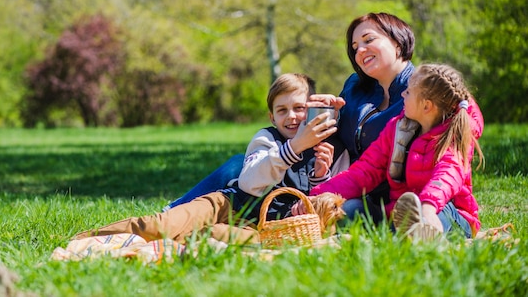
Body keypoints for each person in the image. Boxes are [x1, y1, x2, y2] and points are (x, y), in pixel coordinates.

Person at [165, 12, 416, 218]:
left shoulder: (419, 90)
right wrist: (331, 111)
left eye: (368, 40)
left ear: (397, 40)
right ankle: (173, 214)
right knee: (239, 165)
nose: (360, 50)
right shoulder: (355, 86)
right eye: (354, 46)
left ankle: (183, 217)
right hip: (328, 177)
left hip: (371, 192)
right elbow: (345, 132)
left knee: (338, 213)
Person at [73, 73, 338, 244]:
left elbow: (322, 209)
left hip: (259, 229)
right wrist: (294, 147)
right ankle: (83, 240)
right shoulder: (266, 139)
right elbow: (249, 183)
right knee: (158, 226)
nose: (291, 116)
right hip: (229, 205)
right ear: (272, 117)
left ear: (312, 108)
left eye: (300, 108)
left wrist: (320, 175)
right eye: (282, 110)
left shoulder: (326, 148)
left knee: (204, 237)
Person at [293, 63, 485, 240]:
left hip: (446, 212)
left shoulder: (455, 134)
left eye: (408, 92)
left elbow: (446, 177)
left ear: (426, 106)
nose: (402, 95)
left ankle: (423, 232)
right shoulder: (397, 128)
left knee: (434, 216)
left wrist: (427, 208)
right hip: (399, 212)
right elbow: (364, 172)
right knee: (349, 210)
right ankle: (406, 232)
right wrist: (317, 195)